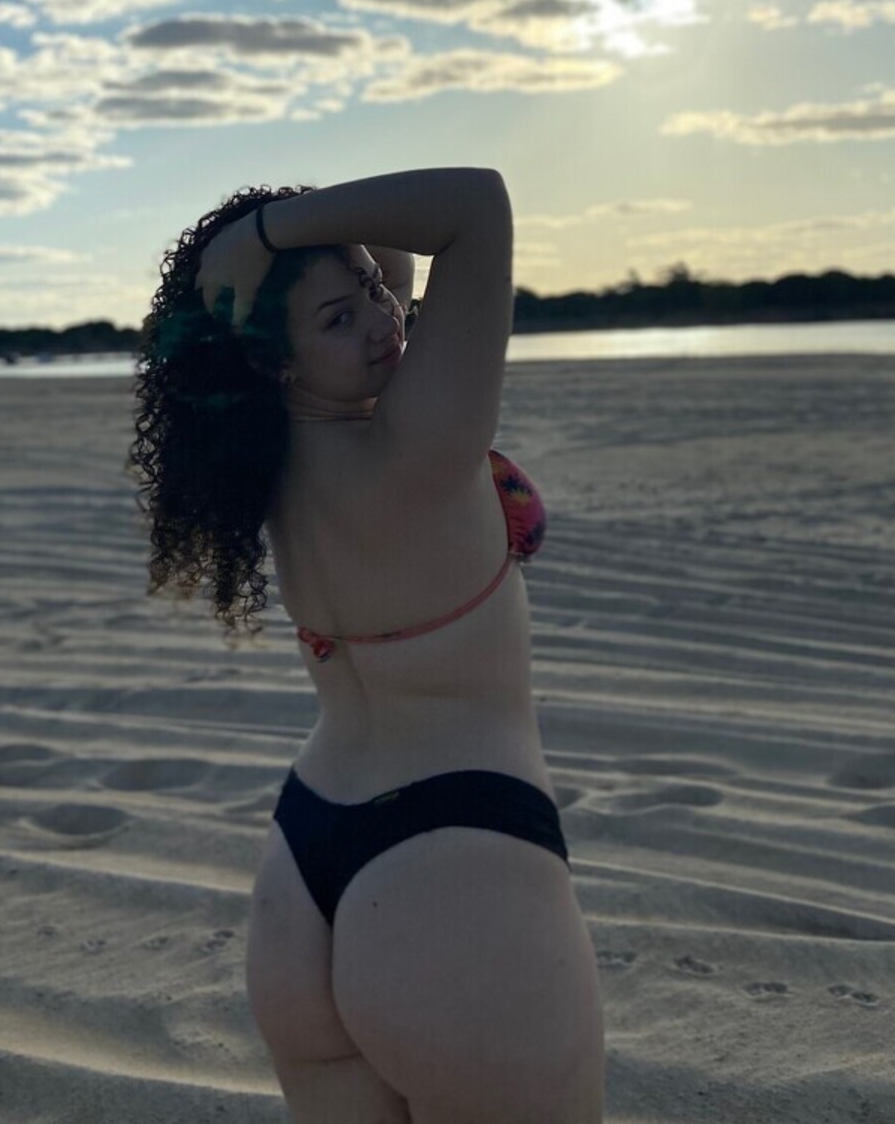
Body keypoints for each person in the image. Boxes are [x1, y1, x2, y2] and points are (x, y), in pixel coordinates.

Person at [130, 168, 605, 1123]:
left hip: (307, 867)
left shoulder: (275, 461)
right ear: (275, 362)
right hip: (452, 861)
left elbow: (390, 258)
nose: (386, 321)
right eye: (340, 320)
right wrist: (268, 229)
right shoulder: (419, 442)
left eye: (375, 295)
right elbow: (474, 207)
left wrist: (283, 255)